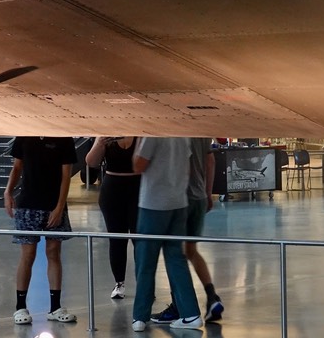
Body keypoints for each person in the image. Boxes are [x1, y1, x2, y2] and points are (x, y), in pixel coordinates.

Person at [3, 136, 78, 326]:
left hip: (53, 205)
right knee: (28, 254)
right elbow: (17, 167)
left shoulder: (64, 139)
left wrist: (59, 208)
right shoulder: (24, 137)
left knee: (53, 253)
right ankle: (20, 307)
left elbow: (65, 175)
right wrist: (8, 191)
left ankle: (55, 307)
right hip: (28, 204)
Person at [130, 137, 201, 331]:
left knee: (145, 261)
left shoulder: (151, 134)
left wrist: (137, 144)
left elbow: (138, 165)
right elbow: (187, 166)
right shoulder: (181, 133)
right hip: (178, 203)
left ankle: (140, 316)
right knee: (176, 260)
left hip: (153, 204)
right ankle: (190, 313)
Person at [154, 137, 224, 323]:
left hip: (182, 199)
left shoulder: (178, 133)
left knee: (174, 254)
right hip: (200, 197)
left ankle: (180, 306)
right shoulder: (202, 132)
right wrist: (208, 193)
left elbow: (184, 166)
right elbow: (210, 161)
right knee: (191, 251)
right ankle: (211, 296)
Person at [85, 135, 140, 300]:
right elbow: (91, 162)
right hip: (112, 191)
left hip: (137, 189)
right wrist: (100, 144)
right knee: (116, 239)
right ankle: (119, 283)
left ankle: (144, 283)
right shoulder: (106, 134)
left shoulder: (141, 134)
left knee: (140, 240)